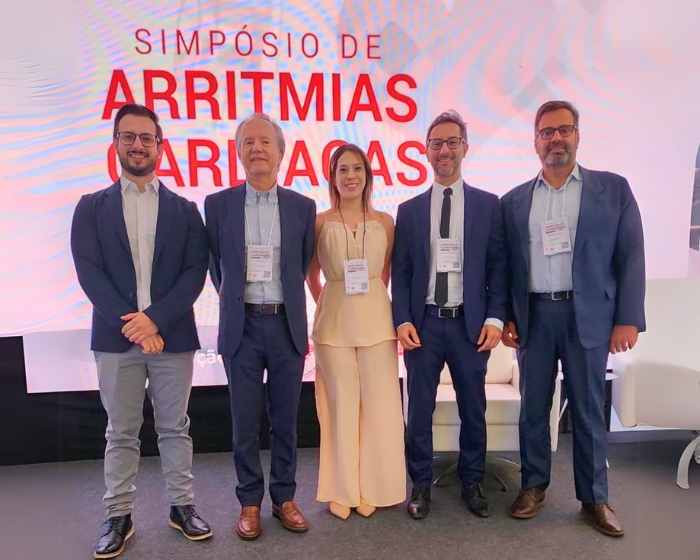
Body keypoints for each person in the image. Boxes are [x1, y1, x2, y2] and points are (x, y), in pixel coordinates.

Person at [71, 103, 212, 559]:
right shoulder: (90, 208)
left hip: (172, 336)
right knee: (121, 431)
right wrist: (136, 326)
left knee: (175, 427)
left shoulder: (185, 210)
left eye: (146, 137)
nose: (137, 144)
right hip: (116, 340)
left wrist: (155, 320)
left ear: (160, 146)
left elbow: (194, 273)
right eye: (128, 136)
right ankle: (119, 515)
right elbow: (90, 273)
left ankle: (182, 507)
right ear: (115, 143)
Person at [501, 100, 645, 537]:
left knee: (587, 410)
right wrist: (506, 317)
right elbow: (505, 267)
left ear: (578, 136)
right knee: (533, 409)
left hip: (590, 317)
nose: (556, 139)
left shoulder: (612, 190)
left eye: (564, 130)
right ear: (535, 142)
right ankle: (533, 486)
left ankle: (595, 498)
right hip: (534, 316)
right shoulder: (514, 201)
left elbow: (631, 256)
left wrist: (628, 319)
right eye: (546, 132)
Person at [205, 113, 316, 540]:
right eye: (248, 142)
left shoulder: (302, 207)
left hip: (286, 325)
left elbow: (301, 264)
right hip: (243, 326)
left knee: (286, 420)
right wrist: (239, 301)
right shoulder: (217, 205)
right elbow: (217, 268)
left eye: (265, 141)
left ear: (280, 152)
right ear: (238, 152)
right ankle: (249, 501)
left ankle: (284, 497)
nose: (256, 148)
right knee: (244, 421)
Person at [392, 110, 507, 520]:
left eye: (452, 142)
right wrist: (401, 319)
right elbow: (402, 272)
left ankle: (471, 482)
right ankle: (420, 486)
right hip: (423, 324)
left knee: (473, 409)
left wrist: (495, 318)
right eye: (436, 143)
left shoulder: (488, 206)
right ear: (426, 151)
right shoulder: (408, 211)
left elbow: (498, 267)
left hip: (469, 326)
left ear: (465, 148)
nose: (444, 150)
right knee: (418, 411)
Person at [306, 144, 406, 520]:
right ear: (333, 178)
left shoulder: (385, 222)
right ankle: (343, 489)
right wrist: (327, 302)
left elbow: (385, 274)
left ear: (367, 175)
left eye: (357, 169)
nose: (350, 176)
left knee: (379, 407)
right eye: (343, 170)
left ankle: (373, 487)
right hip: (333, 326)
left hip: (378, 324)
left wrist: (370, 304)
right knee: (340, 407)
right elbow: (311, 274)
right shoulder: (320, 222)